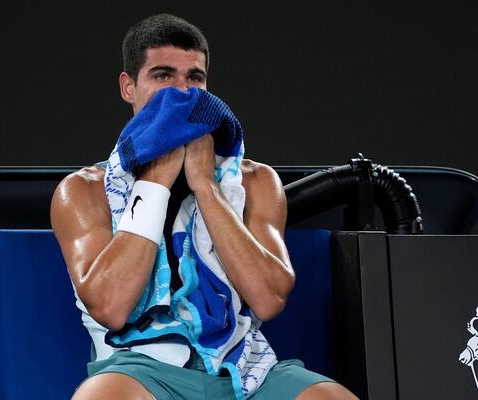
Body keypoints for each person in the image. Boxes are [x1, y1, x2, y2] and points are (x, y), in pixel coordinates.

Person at [51, 13, 357, 400]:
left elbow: (268, 297)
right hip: (139, 368)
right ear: (129, 87)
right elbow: (110, 307)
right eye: (163, 76)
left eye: (194, 78)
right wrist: (156, 181)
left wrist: (206, 187)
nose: (183, 93)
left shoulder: (255, 180)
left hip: (243, 368)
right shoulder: (83, 191)